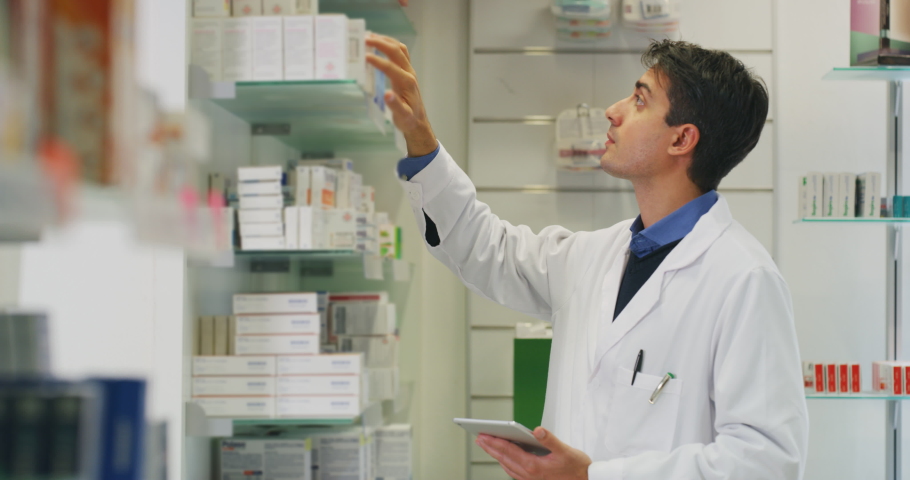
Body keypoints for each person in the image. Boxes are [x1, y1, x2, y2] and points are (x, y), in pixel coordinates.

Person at [365, 35, 809, 480]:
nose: (613, 111)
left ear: (682, 139)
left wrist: (594, 477)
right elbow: (482, 247)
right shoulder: (592, 256)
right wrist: (420, 137)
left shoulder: (744, 279)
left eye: (639, 100)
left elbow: (765, 461)